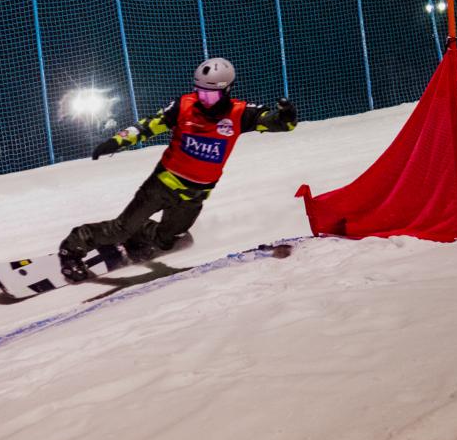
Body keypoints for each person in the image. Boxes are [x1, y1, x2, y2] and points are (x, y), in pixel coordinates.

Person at [58, 57, 297, 281]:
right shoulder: (184, 106)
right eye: (200, 92)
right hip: (162, 184)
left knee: (166, 241)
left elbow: (274, 122)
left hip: (195, 194)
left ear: (226, 90)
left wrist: (285, 117)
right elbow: (149, 125)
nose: (204, 99)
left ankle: (139, 235)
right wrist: (117, 141)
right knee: (120, 229)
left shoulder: (240, 113)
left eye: (210, 95)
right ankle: (72, 247)